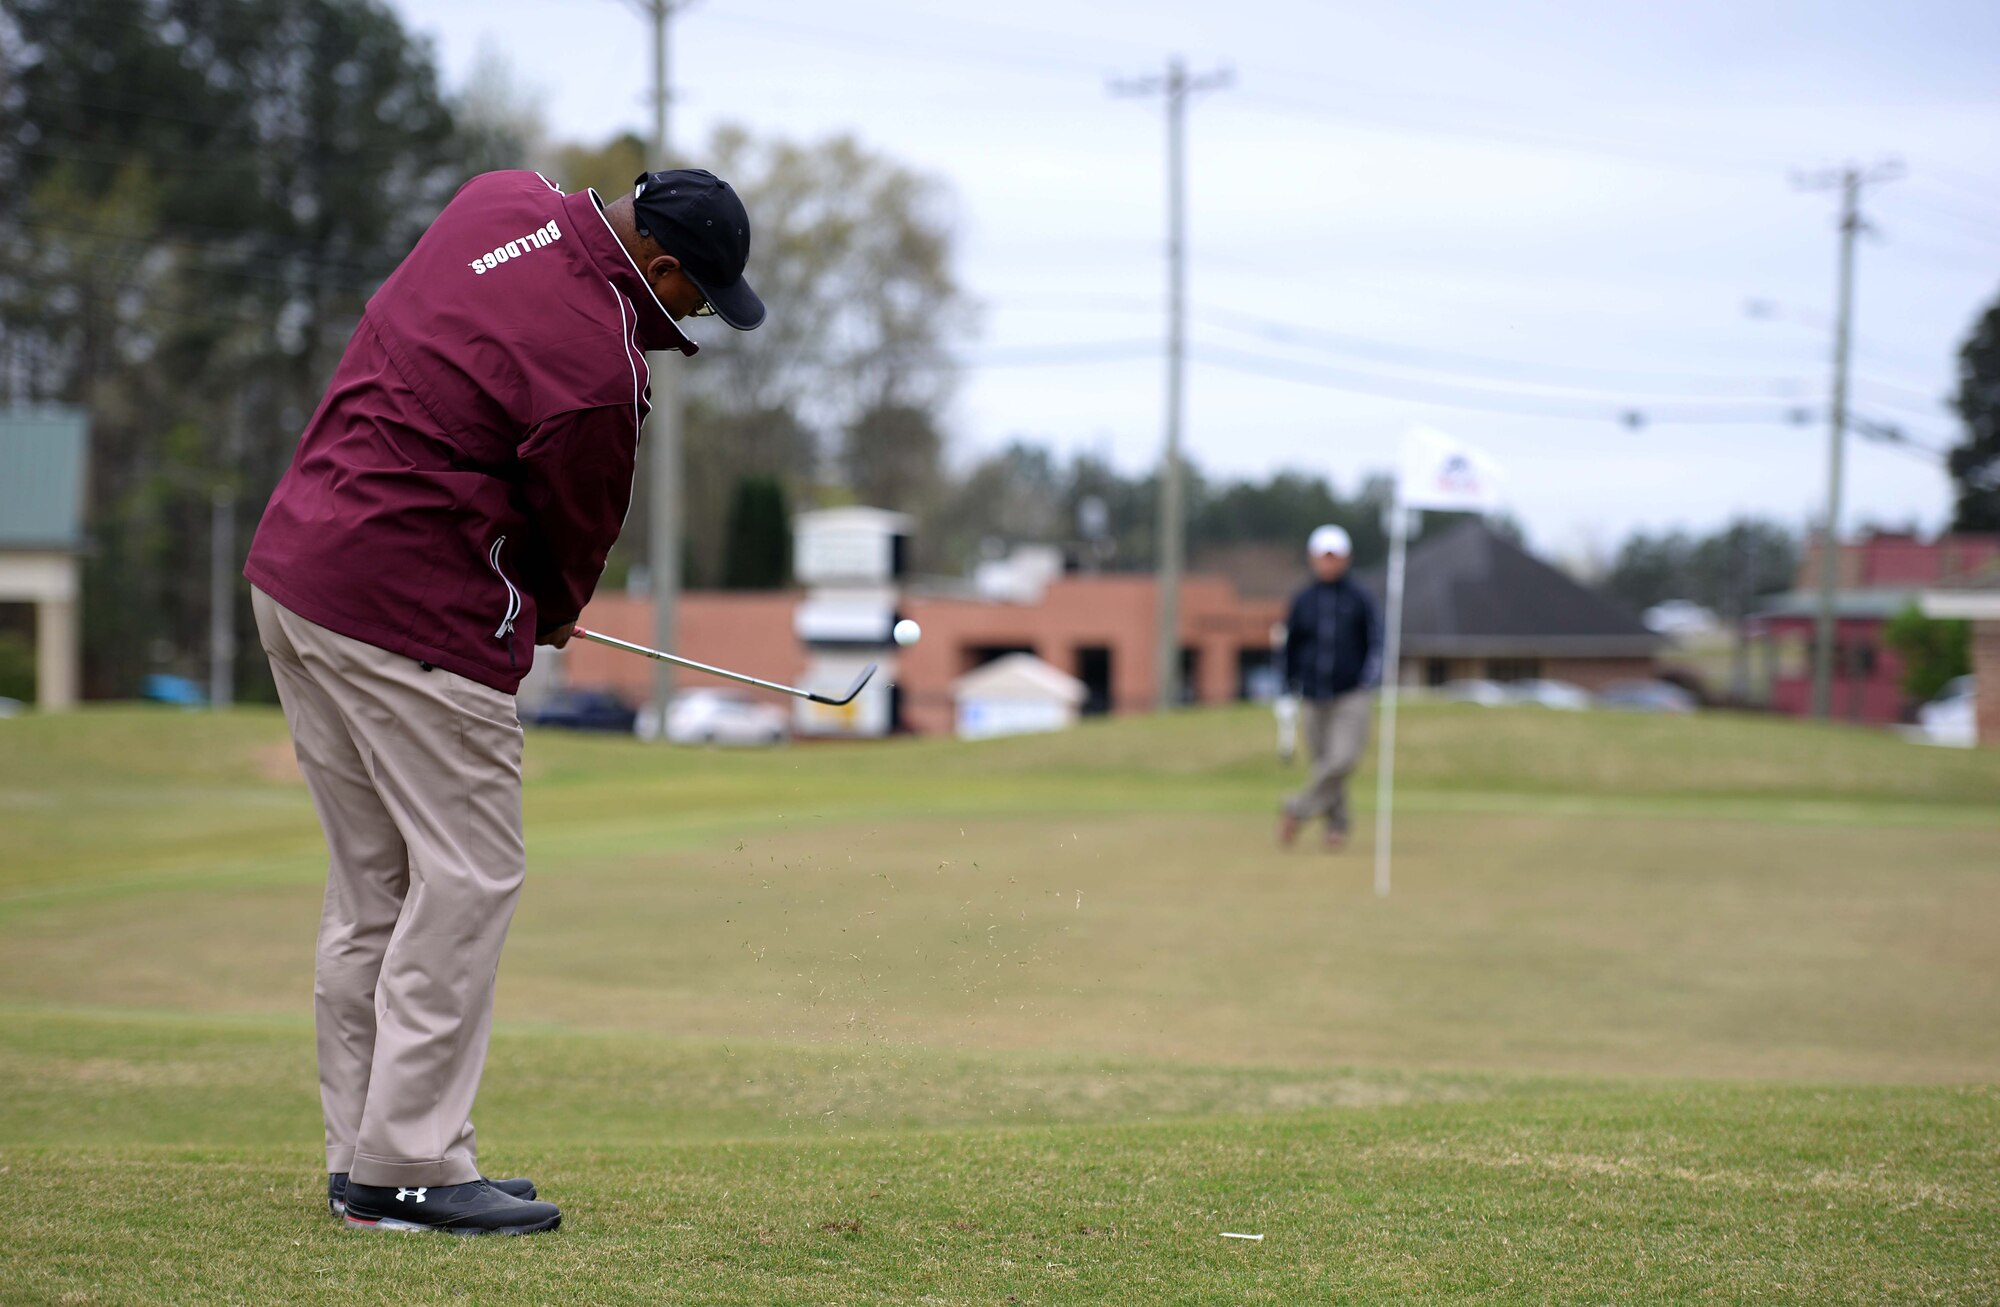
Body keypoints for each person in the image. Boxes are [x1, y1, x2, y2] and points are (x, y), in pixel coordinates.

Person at [244, 168, 764, 1235]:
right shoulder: (599, 372)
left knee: (374, 887)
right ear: (659, 270)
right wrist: (552, 611)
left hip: (295, 576)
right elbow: (571, 537)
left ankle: (369, 1158)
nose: (689, 319)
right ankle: (412, 1165)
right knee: (469, 875)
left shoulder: (499, 198)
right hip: (408, 616)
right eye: (695, 299)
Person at [1277, 524, 1381, 851]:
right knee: (1323, 763)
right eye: (1324, 557)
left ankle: (1297, 808)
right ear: (1313, 559)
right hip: (1311, 693)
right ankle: (1336, 826)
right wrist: (1286, 687)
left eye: (1335, 557)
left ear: (1346, 559)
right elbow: (1290, 646)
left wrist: (1369, 677)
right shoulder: (1303, 600)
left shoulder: (1359, 598)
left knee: (1341, 760)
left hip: (1350, 692)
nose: (1329, 563)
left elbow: (1376, 641)